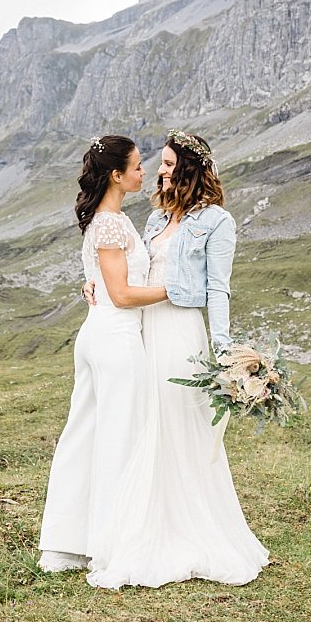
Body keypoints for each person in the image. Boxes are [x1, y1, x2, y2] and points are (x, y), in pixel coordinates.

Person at [86, 130, 267, 588]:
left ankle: (190, 528)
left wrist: (225, 352)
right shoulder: (153, 219)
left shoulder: (217, 222)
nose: (159, 170)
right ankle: (149, 522)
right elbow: (127, 273)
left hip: (181, 332)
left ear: (188, 167)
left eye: (167, 163)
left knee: (179, 422)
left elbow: (219, 289)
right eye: (158, 163)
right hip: (145, 328)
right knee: (149, 423)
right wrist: (94, 287)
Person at [36, 135, 168, 573]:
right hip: (115, 340)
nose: (143, 172)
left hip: (99, 334)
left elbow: (105, 282)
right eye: (136, 166)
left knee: (86, 435)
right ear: (116, 175)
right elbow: (123, 294)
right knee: (118, 439)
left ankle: (67, 543)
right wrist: (175, 290)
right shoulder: (111, 224)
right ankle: (113, 546)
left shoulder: (107, 220)